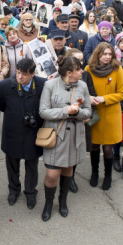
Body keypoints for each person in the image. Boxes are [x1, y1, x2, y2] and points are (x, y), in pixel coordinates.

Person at [38, 56, 91, 221]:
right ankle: (48, 203)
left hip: (74, 136)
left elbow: (88, 111)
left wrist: (78, 113)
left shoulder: (82, 85)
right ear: (69, 72)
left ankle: (63, 200)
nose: (82, 71)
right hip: (56, 136)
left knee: (68, 170)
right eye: (79, 69)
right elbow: (43, 112)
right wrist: (66, 111)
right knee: (52, 174)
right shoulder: (50, 85)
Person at [0, 59, 45, 209]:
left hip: (33, 132)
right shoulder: (4, 86)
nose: (19, 77)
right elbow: (0, 106)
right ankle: (14, 190)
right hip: (12, 132)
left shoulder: (43, 84)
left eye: (24, 74)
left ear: (32, 73)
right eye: (18, 73)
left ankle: (30, 192)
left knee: (32, 164)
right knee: (12, 163)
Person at [85, 42, 123, 189]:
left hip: (111, 114)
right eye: (104, 54)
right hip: (95, 114)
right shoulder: (88, 69)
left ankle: (107, 175)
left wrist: (105, 98)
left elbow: (122, 93)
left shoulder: (117, 69)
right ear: (98, 55)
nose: (107, 57)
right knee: (95, 146)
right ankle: (94, 173)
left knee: (108, 149)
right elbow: (82, 88)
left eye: (110, 54)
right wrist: (89, 97)